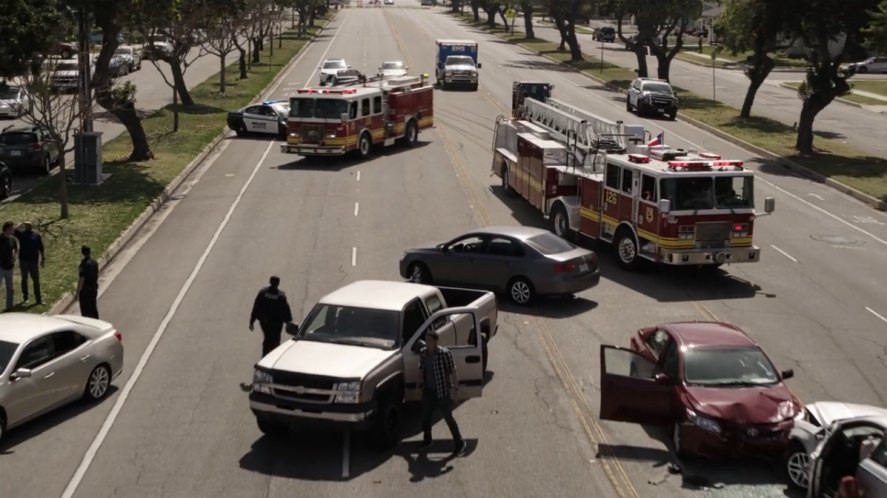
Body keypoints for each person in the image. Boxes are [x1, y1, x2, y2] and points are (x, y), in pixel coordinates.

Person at [419, 329, 465, 455]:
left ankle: (459, 442)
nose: (427, 343)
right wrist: (420, 386)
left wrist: (456, 390)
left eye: (429, 341)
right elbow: (421, 369)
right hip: (429, 391)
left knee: (448, 417)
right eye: (426, 340)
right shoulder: (423, 353)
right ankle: (427, 440)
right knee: (426, 417)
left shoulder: (444, 354)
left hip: (442, 392)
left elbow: (453, 371)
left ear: (435, 341)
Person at [249, 276, 294, 356]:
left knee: (267, 338)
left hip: (265, 322)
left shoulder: (263, 293)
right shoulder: (281, 296)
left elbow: (256, 306)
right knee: (275, 340)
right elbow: (286, 309)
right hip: (276, 323)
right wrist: (289, 322)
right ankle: (273, 357)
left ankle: (265, 356)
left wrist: (252, 321)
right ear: (278, 283)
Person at [16, 222, 45, 306]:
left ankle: (38, 300)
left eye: (29, 225)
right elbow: (15, 229)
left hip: (33, 262)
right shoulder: (21, 234)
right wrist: (22, 223)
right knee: (24, 279)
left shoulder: (36, 236)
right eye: (27, 225)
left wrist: (43, 259)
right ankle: (25, 298)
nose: (28, 226)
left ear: (31, 226)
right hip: (24, 261)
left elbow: (41, 248)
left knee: (36, 280)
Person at [76, 245, 99, 318]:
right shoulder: (95, 262)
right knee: (93, 308)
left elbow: (82, 279)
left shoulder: (83, 264)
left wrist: (77, 292)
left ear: (82, 253)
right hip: (94, 288)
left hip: (86, 291)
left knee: (86, 311)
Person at [0, 221, 17, 312]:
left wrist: (14, 258)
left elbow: (15, 249)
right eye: (12, 228)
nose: (13, 230)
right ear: (7, 229)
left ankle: (9, 307)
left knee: (10, 288)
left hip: (9, 267)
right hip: (0, 267)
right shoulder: (0, 238)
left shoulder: (12, 239)